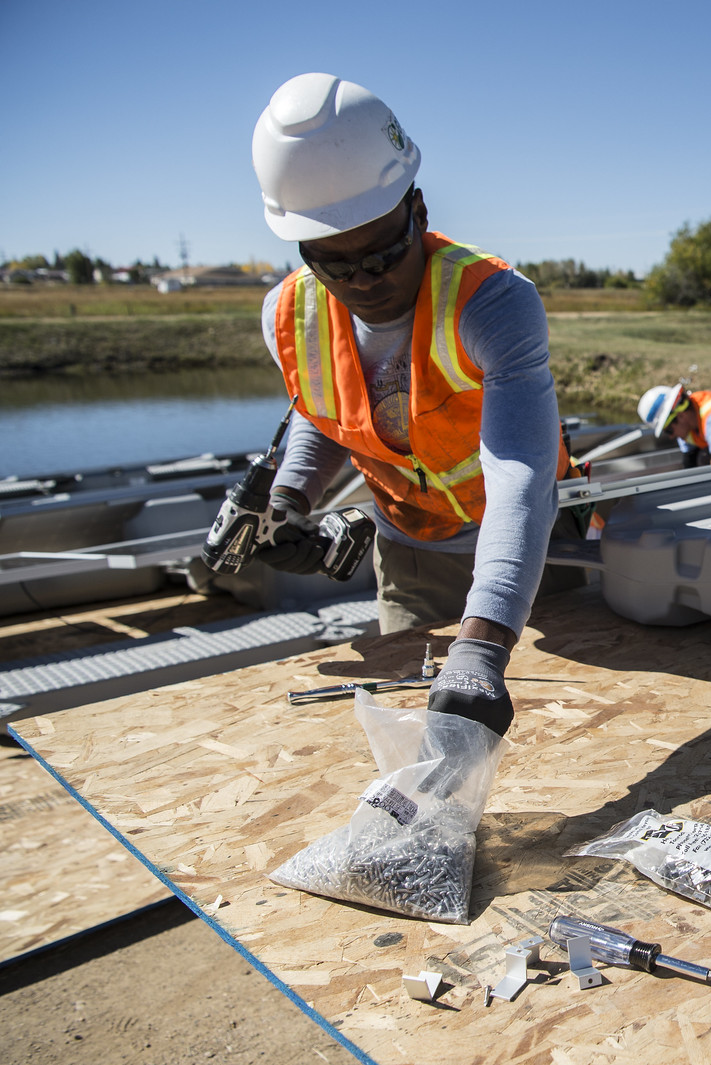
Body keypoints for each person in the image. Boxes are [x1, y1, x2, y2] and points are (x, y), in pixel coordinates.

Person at [250, 72, 577, 738]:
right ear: (303, 251)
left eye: (383, 251)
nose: (363, 280)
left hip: (532, 545)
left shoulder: (491, 302)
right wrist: (288, 501)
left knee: (560, 722)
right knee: (422, 731)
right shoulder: (289, 315)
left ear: (419, 212)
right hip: (411, 552)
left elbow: (521, 481)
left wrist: (484, 646)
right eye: (334, 265)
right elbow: (327, 415)